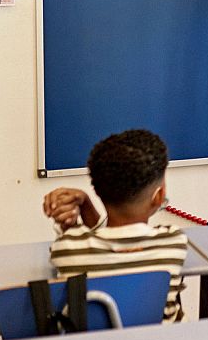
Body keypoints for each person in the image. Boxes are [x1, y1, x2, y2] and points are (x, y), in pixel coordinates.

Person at [40, 129, 189, 321]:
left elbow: (87, 243)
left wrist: (77, 216)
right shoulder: (173, 242)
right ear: (159, 196)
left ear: (97, 191)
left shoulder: (67, 249)